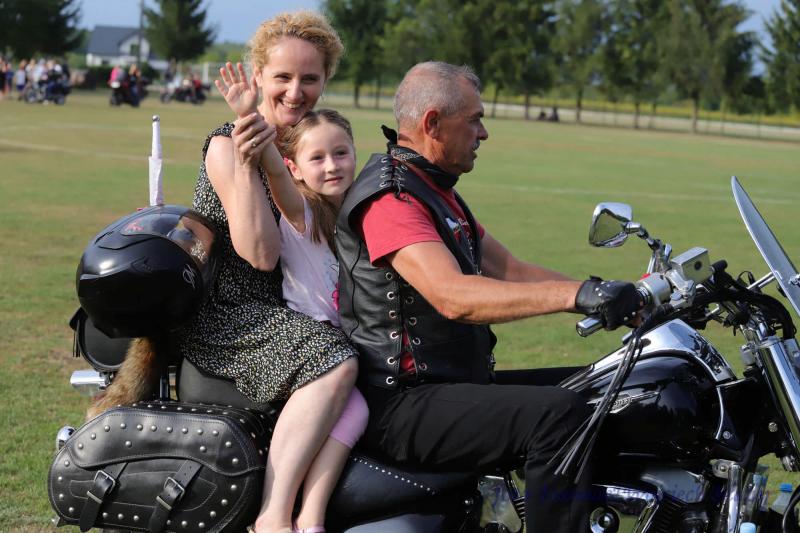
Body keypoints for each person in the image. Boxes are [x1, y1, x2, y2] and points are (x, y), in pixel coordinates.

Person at [335, 61, 643, 532]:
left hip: (455, 386)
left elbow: (512, 271)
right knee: (558, 416)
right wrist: (580, 296)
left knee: (606, 384)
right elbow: (452, 296)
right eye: (474, 120)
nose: (483, 133)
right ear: (432, 123)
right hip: (404, 404)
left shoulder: (435, 190)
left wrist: (612, 294)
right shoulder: (391, 200)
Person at [178, 12, 359, 533]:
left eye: (310, 78)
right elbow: (259, 254)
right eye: (283, 77)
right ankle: (274, 517)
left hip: (291, 309)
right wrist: (247, 158)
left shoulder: (311, 146)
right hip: (232, 314)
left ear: (326, 80)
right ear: (258, 76)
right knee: (336, 361)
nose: (296, 92)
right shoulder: (226, 144)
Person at [215, 61, 368, 531]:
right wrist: (248, 115)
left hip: (349, 340)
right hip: (312, 341)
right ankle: (276, 515)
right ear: (295, 168)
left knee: (359, 411)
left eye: (340, 153)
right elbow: (276, 177)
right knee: (356, 406)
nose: (331, 165)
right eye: (317, 158)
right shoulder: (303, 214)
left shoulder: (359, 215)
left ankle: (312, 515)